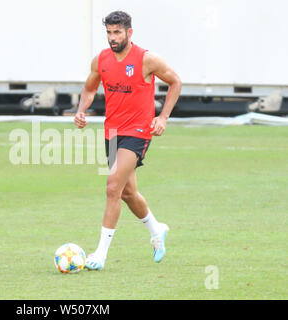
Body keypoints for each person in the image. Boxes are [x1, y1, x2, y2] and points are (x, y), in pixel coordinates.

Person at [74, 11, 182, 270]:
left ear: (129, 33)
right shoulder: (101, 60)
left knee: (112, 187)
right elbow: (90, 87)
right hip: (112, 131)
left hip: (138, 131)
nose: (112, 38)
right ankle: (157, 230)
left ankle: (100, 254)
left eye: (117, 33)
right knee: (127, 192)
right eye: (109, 33)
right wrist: (81, 109)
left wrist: (163, 117)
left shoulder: (147, 60)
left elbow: (175, 82)